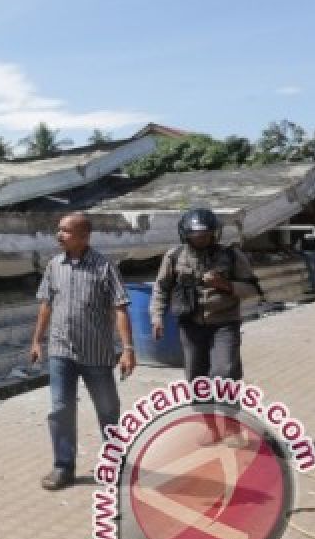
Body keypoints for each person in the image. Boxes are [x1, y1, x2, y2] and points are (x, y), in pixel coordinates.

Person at [30, 212, 135, 491]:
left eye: (65, 231)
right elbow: (46, 304)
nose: (59, 235)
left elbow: (120, 308)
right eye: (59, 229)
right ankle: (63, 467)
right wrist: (37, 341)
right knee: (61, 409)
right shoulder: (54, 265)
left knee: (107, 410)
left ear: (84, 236)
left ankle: (113, 463)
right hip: (61, 350)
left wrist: (127, 349)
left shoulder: (104, 267)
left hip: (96, 354)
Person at [150, 208, 260, 381]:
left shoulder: (231, 255)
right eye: (197, 235)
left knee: (225, 372)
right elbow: (161, 288)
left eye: (207, 234)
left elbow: (253, 290)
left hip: (224, 323)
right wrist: (157, 317)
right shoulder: (174, 257)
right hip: (190, 324)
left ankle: (227, 407)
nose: (202, 239)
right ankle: (202, 407)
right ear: (186, 234)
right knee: (196, 377)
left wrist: (225, 285)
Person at [298, 228, 315, 294]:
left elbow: (298, 248)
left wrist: (300, 252)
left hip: (309, 255)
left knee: (313, 273)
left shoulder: (303, 238)